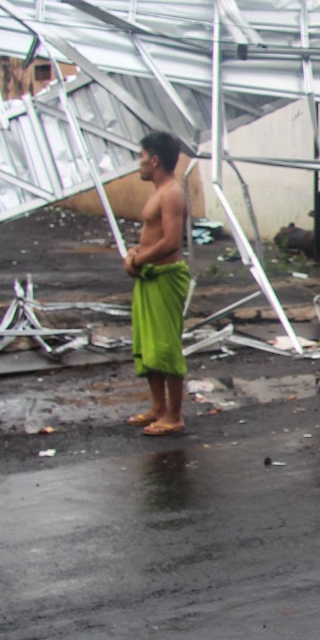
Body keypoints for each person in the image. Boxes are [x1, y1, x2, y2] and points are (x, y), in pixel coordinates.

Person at [125, 131, 192, 437]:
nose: (138, 163)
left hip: (165, 277)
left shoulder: (172, 193)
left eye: (141, 156)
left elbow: (170, 241)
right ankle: (158, 407)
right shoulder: (159, 192)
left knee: (165, 346)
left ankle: (174, 415)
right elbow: (152, 237)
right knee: (148, 344)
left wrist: (139, 260)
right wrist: (135, 253)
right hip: (149, 277)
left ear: (154, 160)